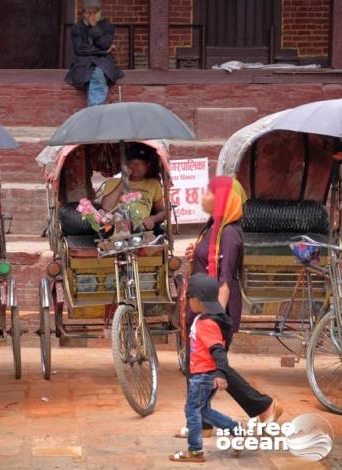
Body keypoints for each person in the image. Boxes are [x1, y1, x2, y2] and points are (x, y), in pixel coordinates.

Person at [175, 176, 283, 439]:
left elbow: (224, 281)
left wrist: (213, 319)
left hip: (214, 310)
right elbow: (204, 261)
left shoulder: (230, 234)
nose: (204, 196)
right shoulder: (211, 228)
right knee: (197, 365)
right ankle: (203, 422)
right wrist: (194, 256)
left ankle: (263, 405)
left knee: (211, 366)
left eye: (210, 193)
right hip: (200, 307)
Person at [170, 274, 240, 463]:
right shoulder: (208, 318)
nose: (187, 301)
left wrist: (220, 373)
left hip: (203, 376)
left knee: (192, 410)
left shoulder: (206, 323)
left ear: (197, 300)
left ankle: (195, 451)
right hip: (204, 375)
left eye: (189, 298)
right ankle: (235, 430)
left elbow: (218, 350)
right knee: (202, 410)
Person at [65, 0, 123, 107]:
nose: (91, 15)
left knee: (99, 75)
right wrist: (103, 51)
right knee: (90, 76)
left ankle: (94, 110)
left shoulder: (107, 26)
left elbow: (105, 43)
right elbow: (80, 49)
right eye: (88, 12)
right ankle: (95, 112)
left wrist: (94, 27)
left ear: (99, 12)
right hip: (84, 63)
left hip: (103, 62)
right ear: (84, 13)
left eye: (94, 12)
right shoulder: (77, 28)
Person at [97, 143, 166, 230]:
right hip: (114, 228)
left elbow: (163, 212)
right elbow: (106, 207)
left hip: (140, 229)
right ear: (126, 165)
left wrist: (153, 219)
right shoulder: (112, 183)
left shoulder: (153, 184)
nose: (135, 167)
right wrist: (123, 182)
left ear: (147, 166)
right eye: (132, 163)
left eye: (140, 163)